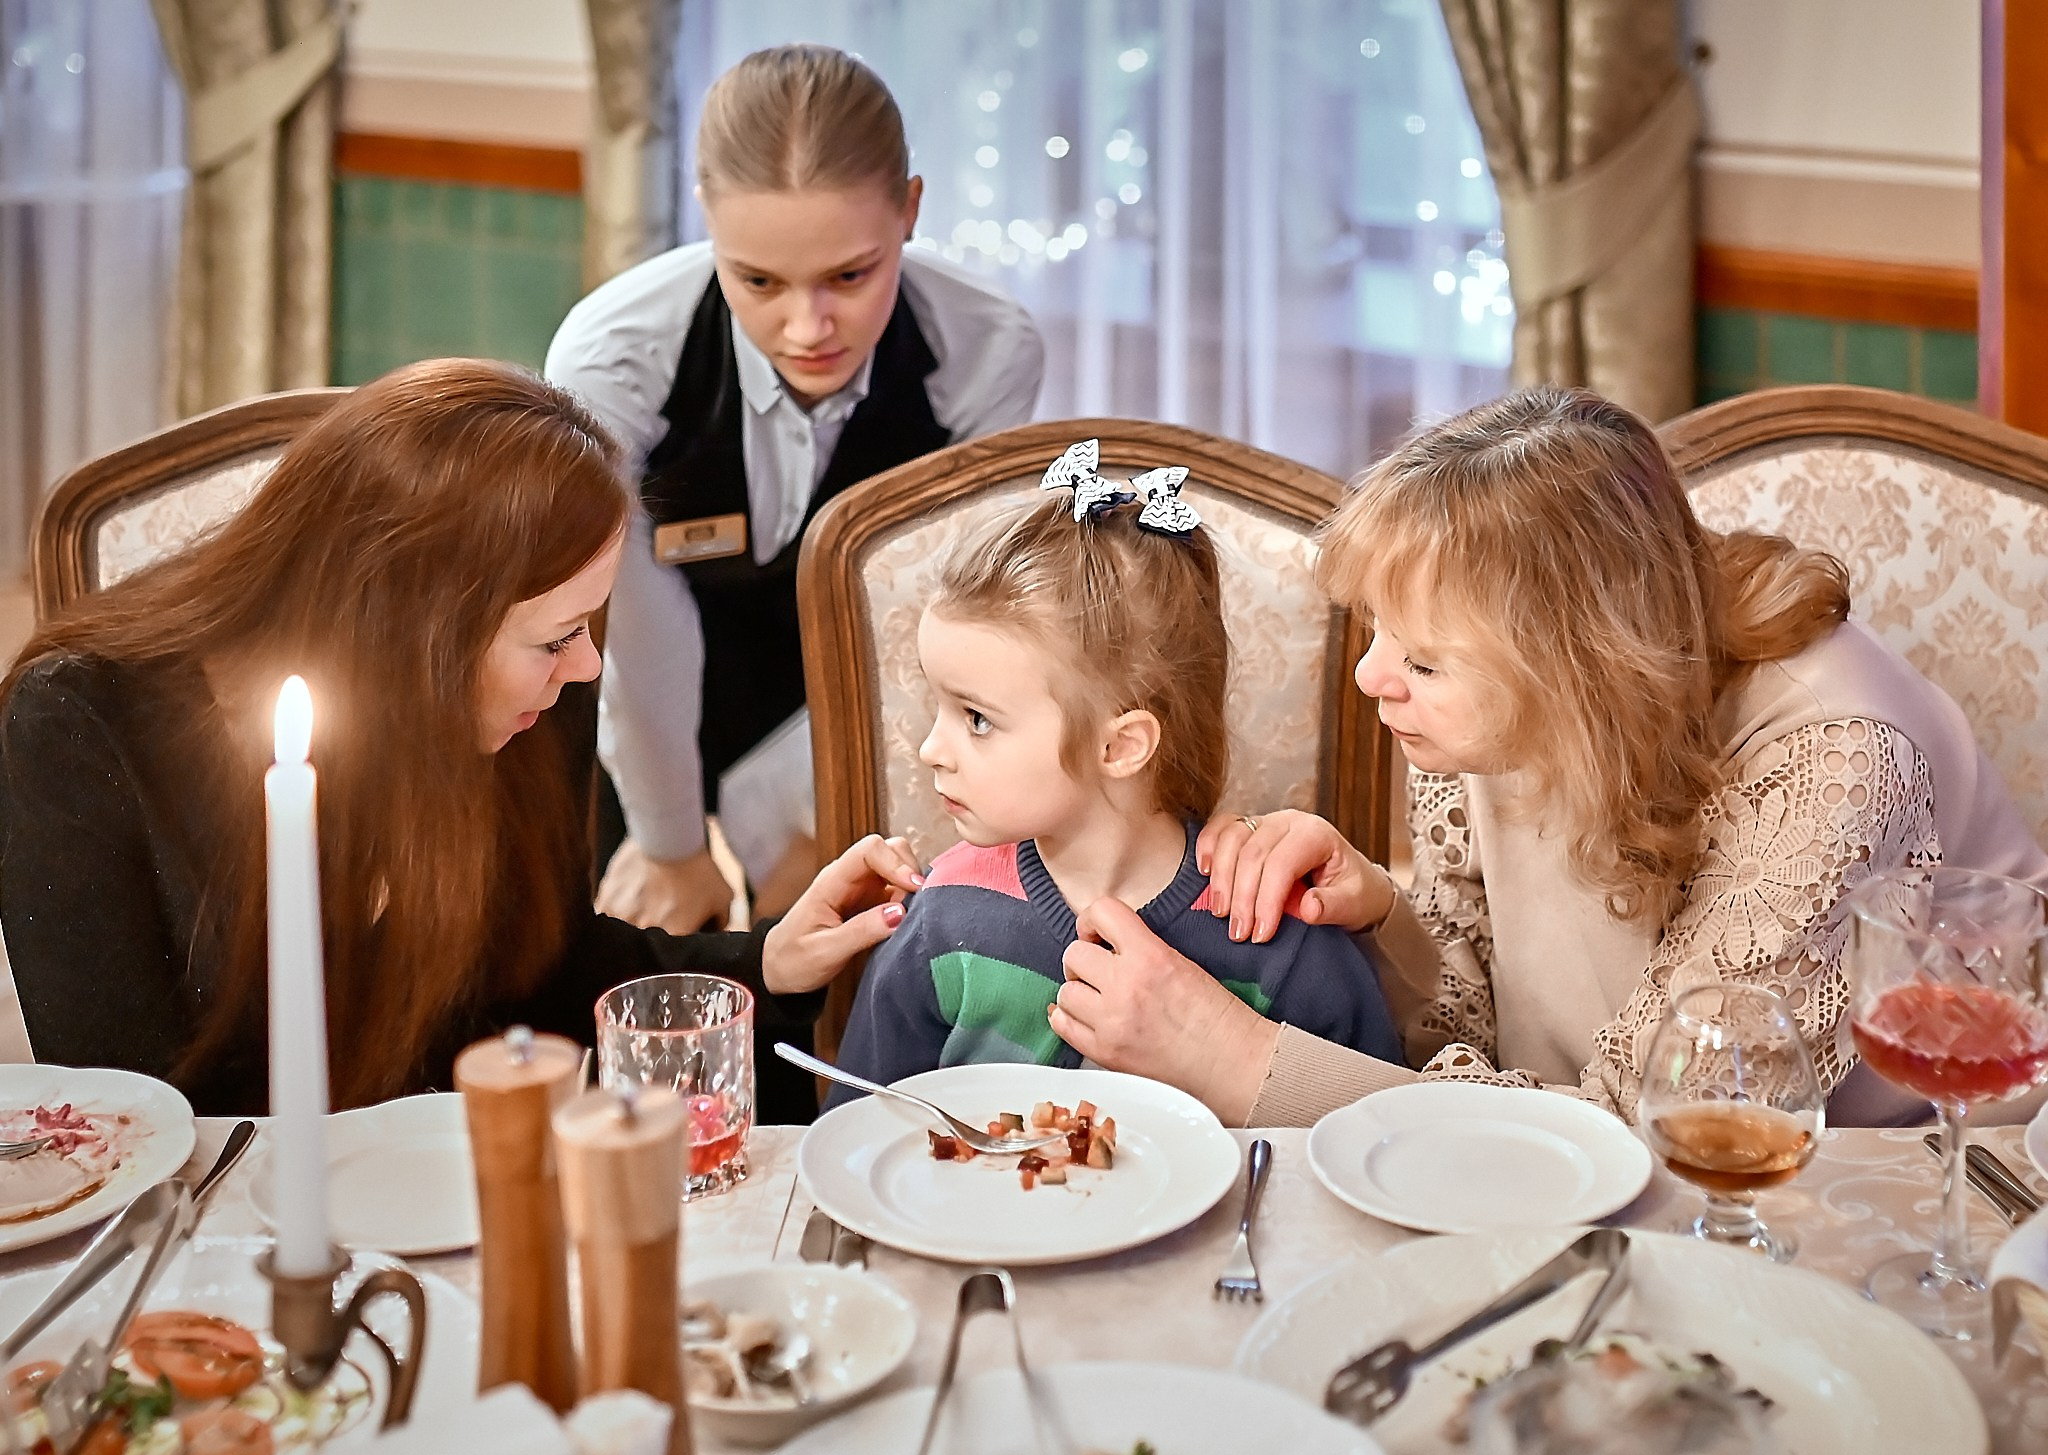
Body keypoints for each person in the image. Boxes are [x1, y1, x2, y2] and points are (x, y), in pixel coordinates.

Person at [1040, 388, 2048, 1128]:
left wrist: (1232, 1058)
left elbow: (1663, 1133)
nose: (1372, 679)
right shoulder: (1484, 695)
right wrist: (1382, 915)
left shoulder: (1838, 760)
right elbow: (1479, 1013)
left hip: (1893, 1185)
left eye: (1423, 658)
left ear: (1580, 665)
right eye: (1380, 632)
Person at [0, 360, 921, 1119]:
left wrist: (764, 957)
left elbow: (539, 968)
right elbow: (116, 1119)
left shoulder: (526, 703)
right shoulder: (78, 728)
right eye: (555, 639)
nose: (587, 669)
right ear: (413, 632)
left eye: (585, 628)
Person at [545, 43, 1045, 937]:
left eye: (851, 276)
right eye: (758, 281)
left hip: (860, 715)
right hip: (645, 724)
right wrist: (671, 844)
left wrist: (816, 826)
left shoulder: (986, 353)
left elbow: (933, 615)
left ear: (911, 211)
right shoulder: (613, 359)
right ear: (708, 220)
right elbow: (633, 627)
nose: (807, 327)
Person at [828, 443, 1400, 1104]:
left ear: (1121, 747)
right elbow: (860, 1142)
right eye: (940, 706)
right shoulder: (939, 922)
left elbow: (1373, 1145)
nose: (931, 748)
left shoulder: (1281, 939)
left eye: (977, 718)